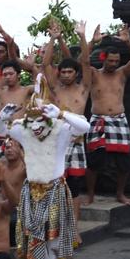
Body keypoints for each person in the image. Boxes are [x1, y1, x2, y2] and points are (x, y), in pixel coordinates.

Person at [0, 74, 90, 259]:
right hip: (32, 191)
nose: (36, 126)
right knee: (35, 240)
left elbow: (85, 126)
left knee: (54, 242)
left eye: (41, 120)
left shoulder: (61, 129)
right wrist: (2, 117)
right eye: (32, 120)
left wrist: (61, 114)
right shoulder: (24, 131)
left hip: (54, 190)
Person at [42, 21, 93, 243]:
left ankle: (74, 229)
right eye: (62, 71)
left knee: (74, 187)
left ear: (76, 73)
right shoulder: (56, 88)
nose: (65, 74)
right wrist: (53, 38)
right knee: (53, 185)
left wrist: (82, 37)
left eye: (69, 71)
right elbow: (45, 64)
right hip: (57, 142)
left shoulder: (84, 88)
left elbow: (86, 61)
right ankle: (53, 228)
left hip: (77, 142)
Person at [85, 24, 130, 206]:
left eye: (116, 61)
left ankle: (120, 194)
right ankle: (90, 194)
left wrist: (128, 42)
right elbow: (82, 61)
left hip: (119, 120)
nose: (113, 64)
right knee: (94, 161)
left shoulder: (122, 73)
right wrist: (92, 42)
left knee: (123, 162)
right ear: (104, 59)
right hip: (98, 120)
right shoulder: (94, 74)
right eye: (110, 61)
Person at [0, 60, 34, 158]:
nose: (8, 77)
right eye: (5, 74)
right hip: (2, 137)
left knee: (23, 166)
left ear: (18, 74)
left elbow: (43, 86)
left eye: (11, 74)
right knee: (0, 166)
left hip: (21, 138)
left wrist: (32, 68)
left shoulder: (27, 90)